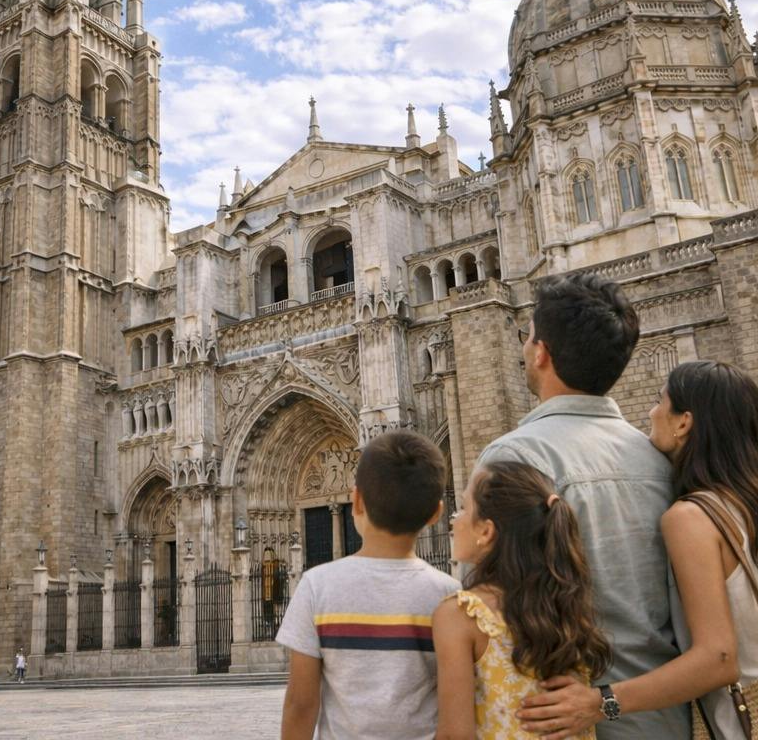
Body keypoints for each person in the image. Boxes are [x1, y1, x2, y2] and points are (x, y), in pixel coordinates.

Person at [517, 361, 758, 739]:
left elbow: (718, 659)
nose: (651, 413)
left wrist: (600, 703)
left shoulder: (694, 518)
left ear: (684, 422)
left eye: (659, 401)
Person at [476, 272, 687, 739]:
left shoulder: (513, 458)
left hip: (561, 724)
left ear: (541, 353)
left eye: (528, 335)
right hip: (664, 717)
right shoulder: (663, 462)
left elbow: (491, 617)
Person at [277, 429, 459, 740]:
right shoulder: (450, 594)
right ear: (436, 513)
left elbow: (301, 703)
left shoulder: (315, 586)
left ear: (356, 500)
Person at [434, 461, 611, 740]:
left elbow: (455, 735)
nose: (455, 518)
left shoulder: (462, 614)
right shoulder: (566, 604)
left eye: (465, 507)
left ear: (486, 531)